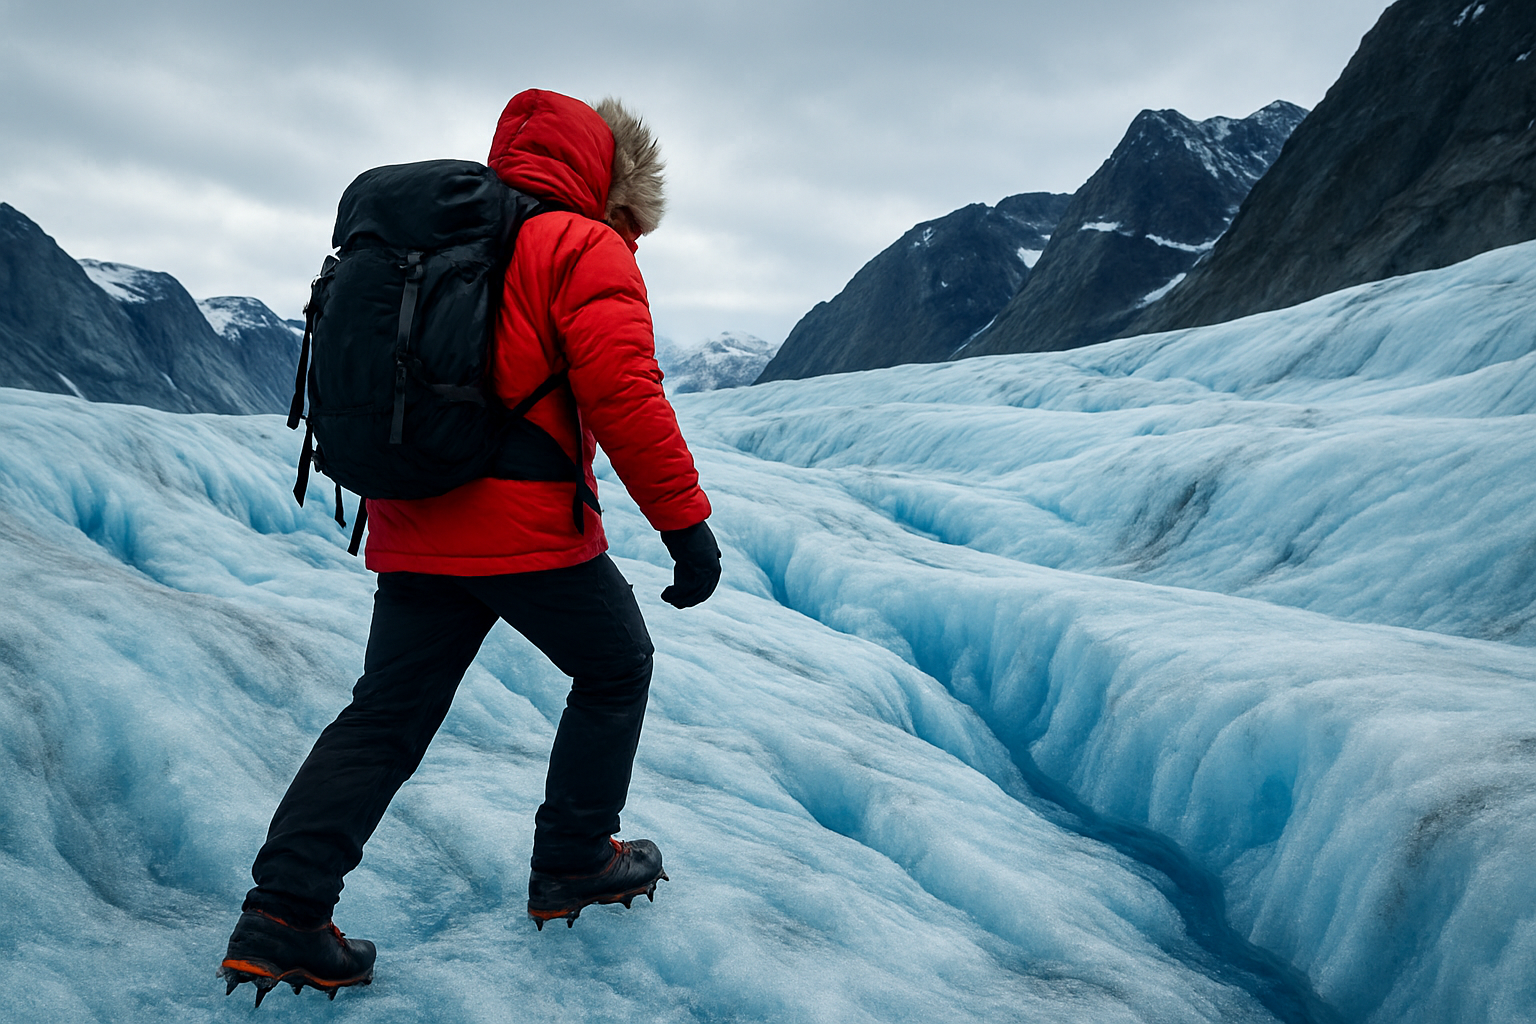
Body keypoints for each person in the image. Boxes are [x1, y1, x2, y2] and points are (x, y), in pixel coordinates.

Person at [218, 89, 719, 1005]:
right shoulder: (578, 245)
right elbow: (627, 397)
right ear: (613, 187)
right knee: (616, 667)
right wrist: (687, 532)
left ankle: (281, 915)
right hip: (528, 527)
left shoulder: (451, 241)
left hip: (414, 517)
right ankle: (573, 859)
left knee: (384, 717)